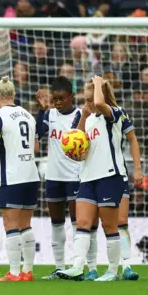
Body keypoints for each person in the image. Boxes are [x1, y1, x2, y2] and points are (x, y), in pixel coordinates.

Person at [58, 77, 143, 282]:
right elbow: (76, 142)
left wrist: (98, 84)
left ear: (99, 95)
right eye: (84, 99)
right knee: (84, 223)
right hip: (87, 177)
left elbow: (131, 137)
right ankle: (79, 266)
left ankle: (117, 269)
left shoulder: (114, 113)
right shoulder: (86, 118)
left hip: (110, 176)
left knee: (113, 224)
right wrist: (76, 151)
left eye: (89, 99)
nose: (86, 104)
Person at [0, 77, 39, 282]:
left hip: (12, 176)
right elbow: (35, 148)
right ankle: (27, 270)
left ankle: (14, 273)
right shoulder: (29, 115)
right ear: (13, 94)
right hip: (31, 175)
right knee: (26, 225)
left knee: (11, 225)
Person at [34, 77, 87, 280]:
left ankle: (78, 266)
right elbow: (39, 133)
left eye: (61, 98)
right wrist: (41, 110)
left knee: (76, 223)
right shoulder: (50, 115)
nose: (57, 102)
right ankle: (58, 267)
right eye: (55, 99)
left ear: (71, 97)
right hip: (54, 176)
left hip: (75, 175)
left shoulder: (81, 115)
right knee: (56, 222)